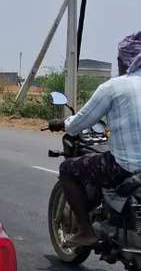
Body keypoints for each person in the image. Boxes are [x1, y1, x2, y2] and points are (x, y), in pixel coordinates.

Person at [49, 31, 141, 248]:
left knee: (68, 170)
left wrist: (63, 124)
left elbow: (81, 121)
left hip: (126, 167)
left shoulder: (115, 86)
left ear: (127, 60)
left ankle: (86, 231)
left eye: (119, 59)